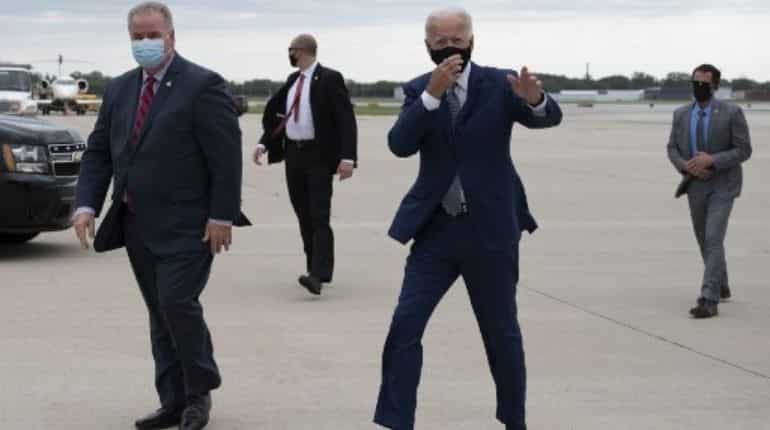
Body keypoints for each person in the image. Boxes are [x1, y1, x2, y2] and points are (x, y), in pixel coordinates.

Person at [373, 8, 562, 430]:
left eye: (457, 39)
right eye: (439, 41)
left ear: (472, 38)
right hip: (436, 232)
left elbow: (547, 117)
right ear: (427, 45)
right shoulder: (418, 89)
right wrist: (431, 97)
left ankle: (514, 420)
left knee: (502, 333)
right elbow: (399, 145)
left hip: (491, 230)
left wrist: (534, 99)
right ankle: (396, 420)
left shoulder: (499, 83)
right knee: (405, 324)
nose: (449, 47)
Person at [72, 2, 246, 429]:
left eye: (153, 35)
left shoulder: (202, 85)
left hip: (190, 225)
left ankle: (199, 392)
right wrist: (86, 203)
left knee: (176, 303)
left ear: (171, 36)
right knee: (158, 311)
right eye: (137, 37)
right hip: (136, 223)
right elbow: (99, 151)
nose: (145, 43)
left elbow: (225, 158)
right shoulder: (118, 89)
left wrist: (221, 215)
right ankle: (172, 400)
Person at [255, 34, 358, 296]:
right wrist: (264, 143)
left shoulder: (330, 78)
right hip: (294, 155)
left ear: (300, 51)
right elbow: (280, 117)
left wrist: (348, 158)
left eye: (291, 51)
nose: (289, 55)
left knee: (319, 215)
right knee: (303, 214)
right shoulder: (293, 81)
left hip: (319, 157)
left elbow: (346, 119)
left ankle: (317, 273)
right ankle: (316, 267)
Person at [667, 63, 752, 319]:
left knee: (714, 237)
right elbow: (672, 148)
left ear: (715, 86)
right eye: (695, 83)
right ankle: (721, 283)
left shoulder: (731, 112)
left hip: (723, 185)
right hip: (695, 185)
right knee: (704, 239)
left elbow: (744, 150)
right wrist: (688, 166)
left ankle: (708, 298)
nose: (699, 88)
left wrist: (712, 160)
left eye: (704, 83)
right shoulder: (681, 114)